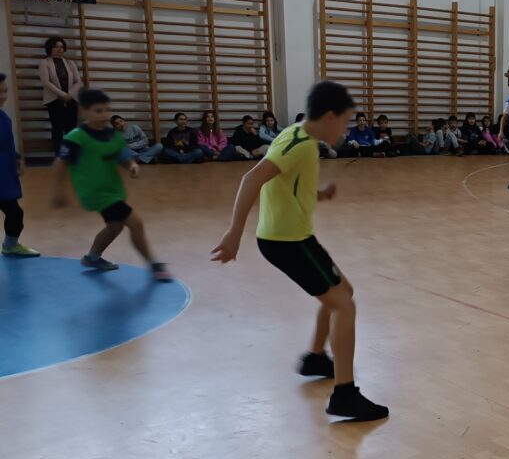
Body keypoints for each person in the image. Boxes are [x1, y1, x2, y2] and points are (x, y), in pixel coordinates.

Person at [210, 80, 388, 422]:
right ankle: (345, 395)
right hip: (287, 242)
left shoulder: (297, 135)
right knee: (344, 304)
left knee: (342, 293)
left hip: (292, 238)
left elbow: (287, 182)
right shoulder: (301, 145)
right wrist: (234, 234)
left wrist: (318, 194)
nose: (345, 129)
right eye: (344, 121)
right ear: (330, 116)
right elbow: (251, 179)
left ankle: (316, 358)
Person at [51, 88, 172, 280]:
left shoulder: (112, 135)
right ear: (84, 111)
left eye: (107, 110)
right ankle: (154, 265)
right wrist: (58, 190)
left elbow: (122, 156)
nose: (104, 115)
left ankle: (92, 257)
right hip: (95, 192)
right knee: (136, 223)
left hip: (113, 190)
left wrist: (132, 165)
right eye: (98, 111)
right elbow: (60, 163)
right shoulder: (76, 137)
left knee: (115, 226)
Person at [0, 73, 39, 258]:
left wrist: (16, 158)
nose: (2, 96)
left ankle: (10, 245)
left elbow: (6, 143)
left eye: (5, 91)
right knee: (14, 213)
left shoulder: (2, 116)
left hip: (3, 177)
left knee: (15, 214)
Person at [38, 36, 82, 153]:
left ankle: (73, 155)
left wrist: (70, 94)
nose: (59, 49)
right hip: (54, 100)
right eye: (56, 47)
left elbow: (78, 81)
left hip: (71, 100)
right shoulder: (44, 62)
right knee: (57, 130)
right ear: (50, 48)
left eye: (61, 47)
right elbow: (46, 82)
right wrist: (63, 95)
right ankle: (59, 156)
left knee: (72, 129)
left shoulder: (70, 63)